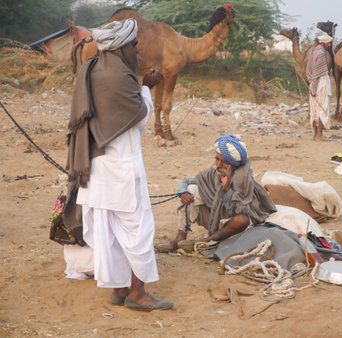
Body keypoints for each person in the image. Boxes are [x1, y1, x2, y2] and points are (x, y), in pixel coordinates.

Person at [64, 19, 172, 312]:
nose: (137, 49)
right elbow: (137, 117)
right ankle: (137, 294)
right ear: (122, 45)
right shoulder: (119, 77)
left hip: (95, 170)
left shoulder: (92, 69)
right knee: (140, 231)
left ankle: (119, 289)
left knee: (108, 232)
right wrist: (147, 87)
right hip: (121, 170)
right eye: (134, 44)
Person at [155, 134, 277, 252]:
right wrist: (182, 193)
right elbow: (187, 181)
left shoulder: (243, 180)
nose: (218, 164)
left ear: (232, 164)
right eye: (217, 159)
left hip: (233, 226)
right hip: (216, 219)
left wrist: (226, 189)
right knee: (191, 189)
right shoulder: (214, 171)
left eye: (223, 162)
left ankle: (207, 241)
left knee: (242, 220)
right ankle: (179, 239)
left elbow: (236, 213)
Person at [306, 34, 333, 141]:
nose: (330, 45)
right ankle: (319, 134)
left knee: (314, 109)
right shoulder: (321, 53)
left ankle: (315, 134)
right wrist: (314, 87)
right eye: (328, 43)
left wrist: (311, 85)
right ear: (324, 43)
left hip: (313, 84)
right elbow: (318, 72)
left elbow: (309, 70)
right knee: (323, 108)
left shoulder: (313, 52)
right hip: (320, 84)